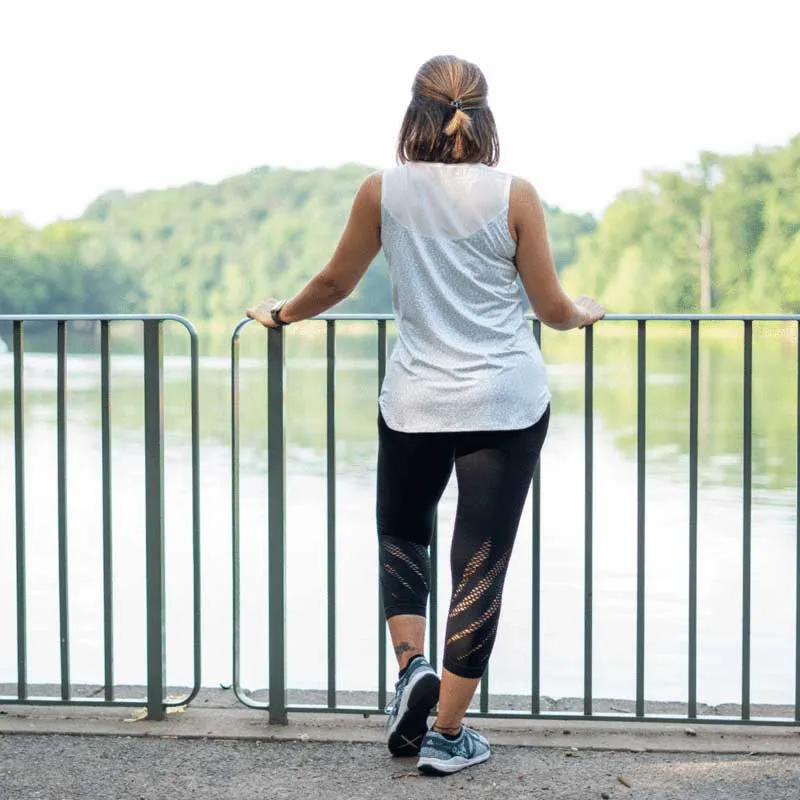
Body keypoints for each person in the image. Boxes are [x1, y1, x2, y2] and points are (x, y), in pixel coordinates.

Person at [246, 54, 604, 776]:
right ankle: (445, 733)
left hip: (414, 401)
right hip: (504, 401)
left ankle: (412, 668)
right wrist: (583, 314)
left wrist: (280, 313)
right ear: (485, 114)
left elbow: (334, 281)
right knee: (480, 564)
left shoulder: (383, 191)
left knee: (404, 538)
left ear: (415, 113)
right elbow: (551, 307)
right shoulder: (516, 195)